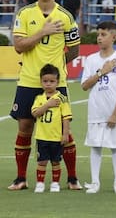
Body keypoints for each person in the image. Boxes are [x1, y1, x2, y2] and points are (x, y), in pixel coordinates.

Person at [10, 0, 81, 191]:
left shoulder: (66, 16)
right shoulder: (25, 14)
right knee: (25, 127)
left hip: (56, 85)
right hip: (28, 81)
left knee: (63, 130)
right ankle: (21, 178)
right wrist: (43, 31)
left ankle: (72, 178)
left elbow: (75, 50)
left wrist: (56, 69)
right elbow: (19, 46)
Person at [79, 20, 116, 194]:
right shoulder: (91, 60)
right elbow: (85, 85)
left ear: (114, 37)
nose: (99, 38)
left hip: (113, 112)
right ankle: (95, 182)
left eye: (103, 34)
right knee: (95, 146)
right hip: (96, 111)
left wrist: (115, 113)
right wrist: (102, 71)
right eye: (98, 35)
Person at [30, 65, 72, 193]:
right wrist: (47, 105)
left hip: (56, 137)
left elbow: (66, 117)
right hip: (42, 136)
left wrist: (65, 134)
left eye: (52, 81)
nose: (48, 84)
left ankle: (55, 183)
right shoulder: (39, 99)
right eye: (45, 81)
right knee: (42, 161)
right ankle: (40, 183)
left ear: (57, 82)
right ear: (41, 82)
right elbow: (35, 113)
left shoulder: (62, 99)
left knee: (55, 161)